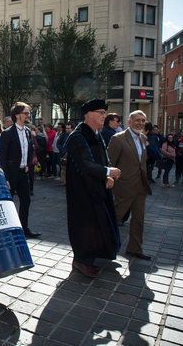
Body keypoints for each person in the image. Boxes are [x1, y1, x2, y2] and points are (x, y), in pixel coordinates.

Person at [64, 99, 121, 278]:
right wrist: (107, 171)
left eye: (105, 112)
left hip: (97, 189)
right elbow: (86, 164)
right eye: (101, 112)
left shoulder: (96, 134)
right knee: (84, 226)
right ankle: (81, 260)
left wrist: (108, 175)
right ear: (89, 114)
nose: (104, 116)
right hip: (82, 192)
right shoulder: (77, 137)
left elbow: (104, 158)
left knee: (98, 224)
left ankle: (97, 254)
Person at [108, 110, 151, 261]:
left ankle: (135, 248)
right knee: (114, 219)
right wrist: (110, 180)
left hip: (140, 187)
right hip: (124, 187)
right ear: (129, 121)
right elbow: (110, 162)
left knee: (139, 220)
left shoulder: (143, 138)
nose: (140, 123)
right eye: (137, 120)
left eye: (143, 121)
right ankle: (102, 248)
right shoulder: (118, 139)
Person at [0, 102, 41, 239]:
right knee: (8, 202)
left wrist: (28, 164)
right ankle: (7, 230)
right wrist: (5, 178)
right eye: (26, 113)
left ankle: (24, 228)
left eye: (29, 113)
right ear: (17, 115)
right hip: (11, 173)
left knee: (26, 201)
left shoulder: (28, 131)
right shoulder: (7, 133)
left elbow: (29, 150)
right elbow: (2, 157)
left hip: (24, 172)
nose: (28, 115)